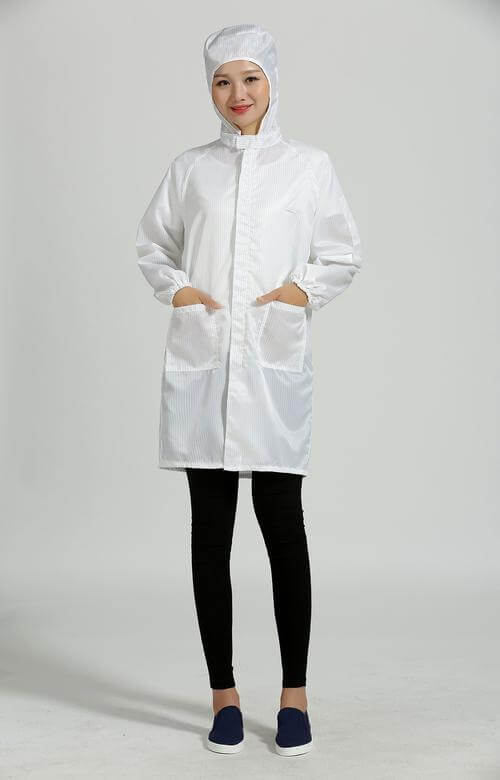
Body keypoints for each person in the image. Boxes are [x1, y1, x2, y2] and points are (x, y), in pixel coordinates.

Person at [136, 22, 363, 756]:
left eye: (250, 79)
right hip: (205, 368)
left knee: (283, 529)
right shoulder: (190, 169)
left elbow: (342, 253)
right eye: (223, 81)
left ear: (272, 82)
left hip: (270, 368)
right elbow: (153, 244)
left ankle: (295, 695)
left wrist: (299, 293)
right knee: (210, 537)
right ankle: (224, 697)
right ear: (210, 89)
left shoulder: (309, 167)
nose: (237, 94)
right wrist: (179, 291)